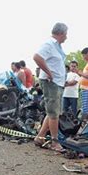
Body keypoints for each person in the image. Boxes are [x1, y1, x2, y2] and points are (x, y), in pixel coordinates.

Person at [33, 22, 68, 153]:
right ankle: (55, 142)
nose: (66, 37)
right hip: (51, 82)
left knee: (53, 111)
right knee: (54, 113)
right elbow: (37, 57)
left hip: (57, 83)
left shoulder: (57, 46)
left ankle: (40, 137)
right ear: (60, 33)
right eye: (66, 34)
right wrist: (48, 72)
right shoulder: (49, 44)